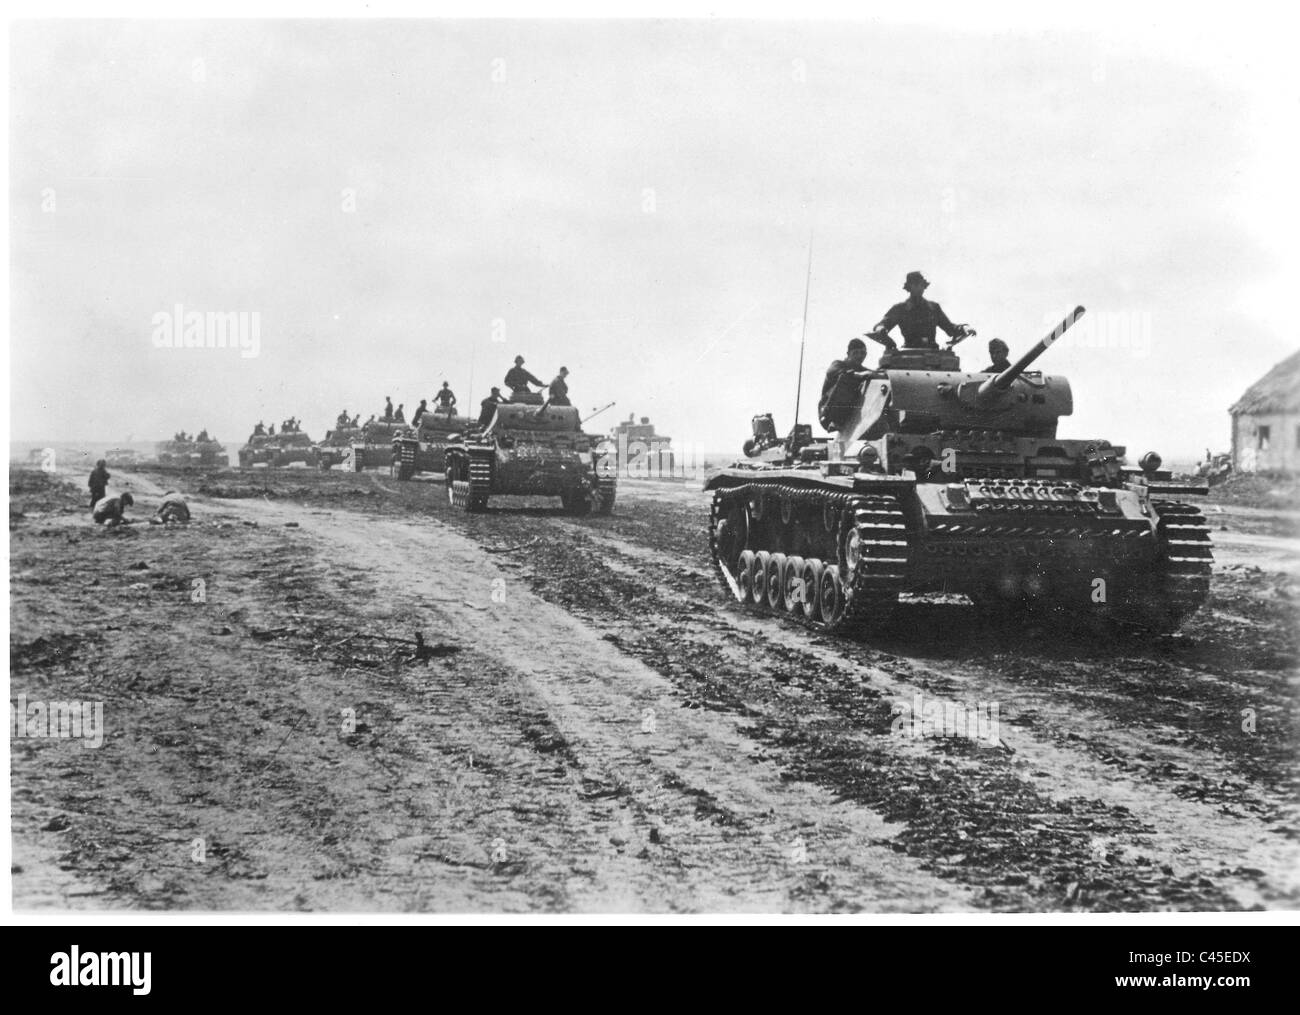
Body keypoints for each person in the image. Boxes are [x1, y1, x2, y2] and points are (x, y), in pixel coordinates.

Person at [869, 271, 974, 350]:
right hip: (908, 355)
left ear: (924, 287)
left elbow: (950, 329)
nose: (919, 288)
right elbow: (882, 325)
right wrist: (880, 328)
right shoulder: (900, 309)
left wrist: (964, 327)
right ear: (909, 287)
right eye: (915, 285)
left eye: (921, 285)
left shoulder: (933, 308)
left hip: (933, 354)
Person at [818, 339, 877, 432]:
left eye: (862, 353)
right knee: (847, 377)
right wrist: (860, 375)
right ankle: (836, 420)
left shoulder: (862, 369)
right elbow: (834, 372)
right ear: (848, 353)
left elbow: (872, 374)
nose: (859, 356)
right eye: (855, 353)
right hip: (828, 413)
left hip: (850, 412)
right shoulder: (838, 364)